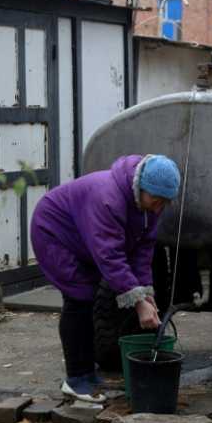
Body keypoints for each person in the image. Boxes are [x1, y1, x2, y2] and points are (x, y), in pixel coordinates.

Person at [30, 154, 180, 404]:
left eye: (164, 203)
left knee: (88, 297)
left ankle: (88, 374)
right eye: (156, 201)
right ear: (141, 188)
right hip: (54, 232)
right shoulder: (109, 198)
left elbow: (143, 252)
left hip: (83, 238)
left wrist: (146, 292)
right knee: (79, 298)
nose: (158, 208)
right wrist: (138, 303)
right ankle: (77, 379)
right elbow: (110, 257)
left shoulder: (149, 206)